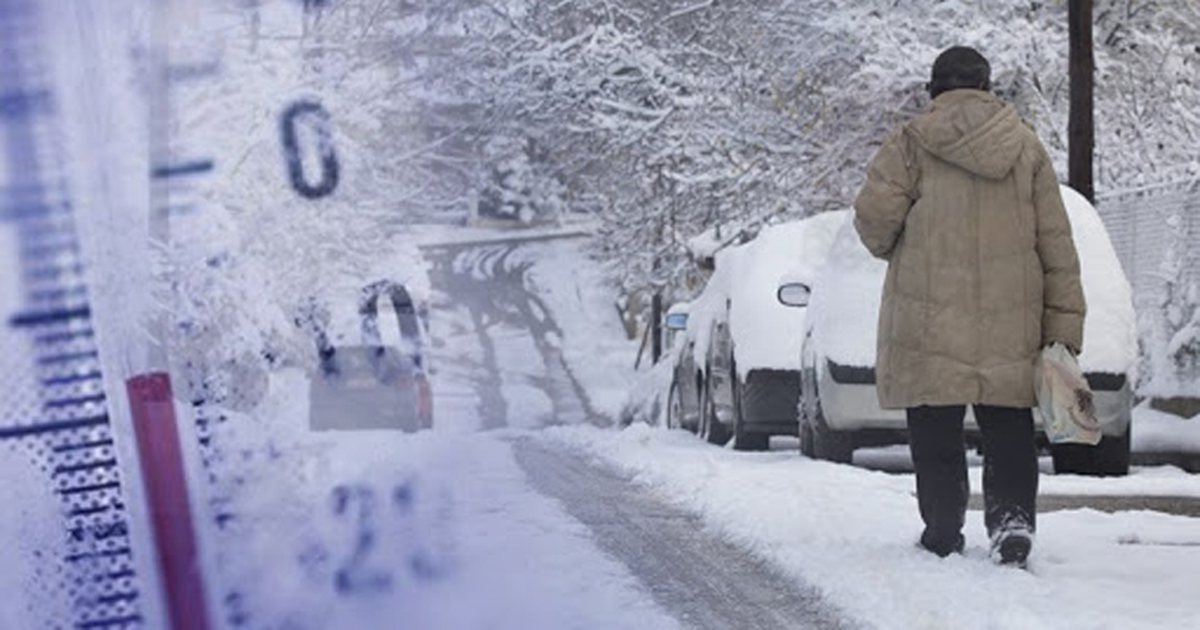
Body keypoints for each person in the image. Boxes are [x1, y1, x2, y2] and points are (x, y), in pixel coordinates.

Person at [852, 46, 1086, 567]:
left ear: (935, 88)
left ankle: (941, 528)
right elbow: (1057, 245)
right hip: (1012, 319)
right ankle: (1011, 524)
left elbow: (873, 223)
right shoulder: (1025, 148)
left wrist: (903, 245)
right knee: (1008, 425)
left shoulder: (909, 144)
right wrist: (1066, 326)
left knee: (934, 427)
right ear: (987, 87)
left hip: (927, 317)